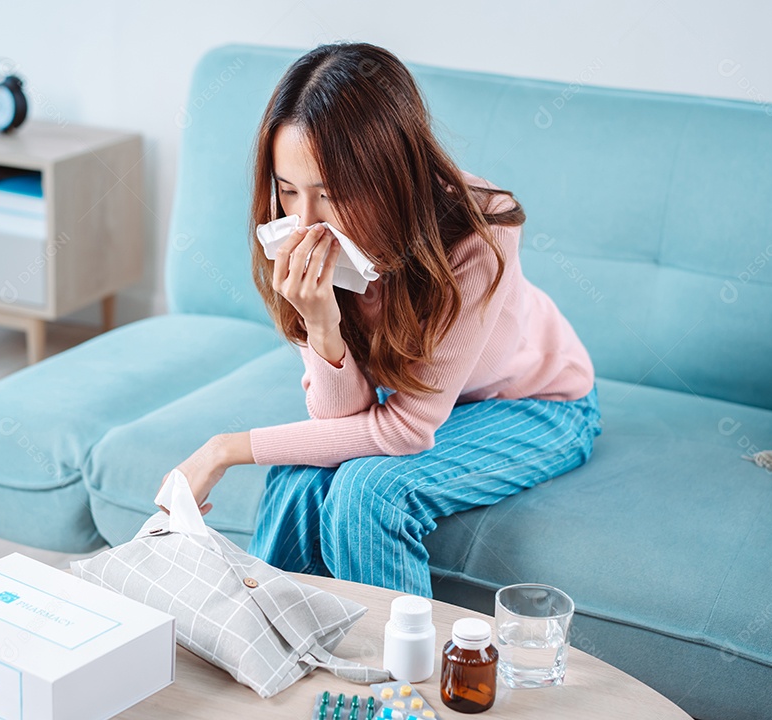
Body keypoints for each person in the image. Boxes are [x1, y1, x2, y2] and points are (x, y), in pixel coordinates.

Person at [164, 42, 601, 597]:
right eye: (288, 190)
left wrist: (225, 448)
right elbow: (338, 417)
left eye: (330, 194)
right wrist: (321, 322)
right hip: (428, 401)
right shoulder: (300, 245)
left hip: (539, 403)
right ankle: (271, 648)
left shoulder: (477, 230)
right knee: (298, 480)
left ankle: (398, 681)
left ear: (388, 175)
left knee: (369, 491)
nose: (302, 222)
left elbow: (407, 429)